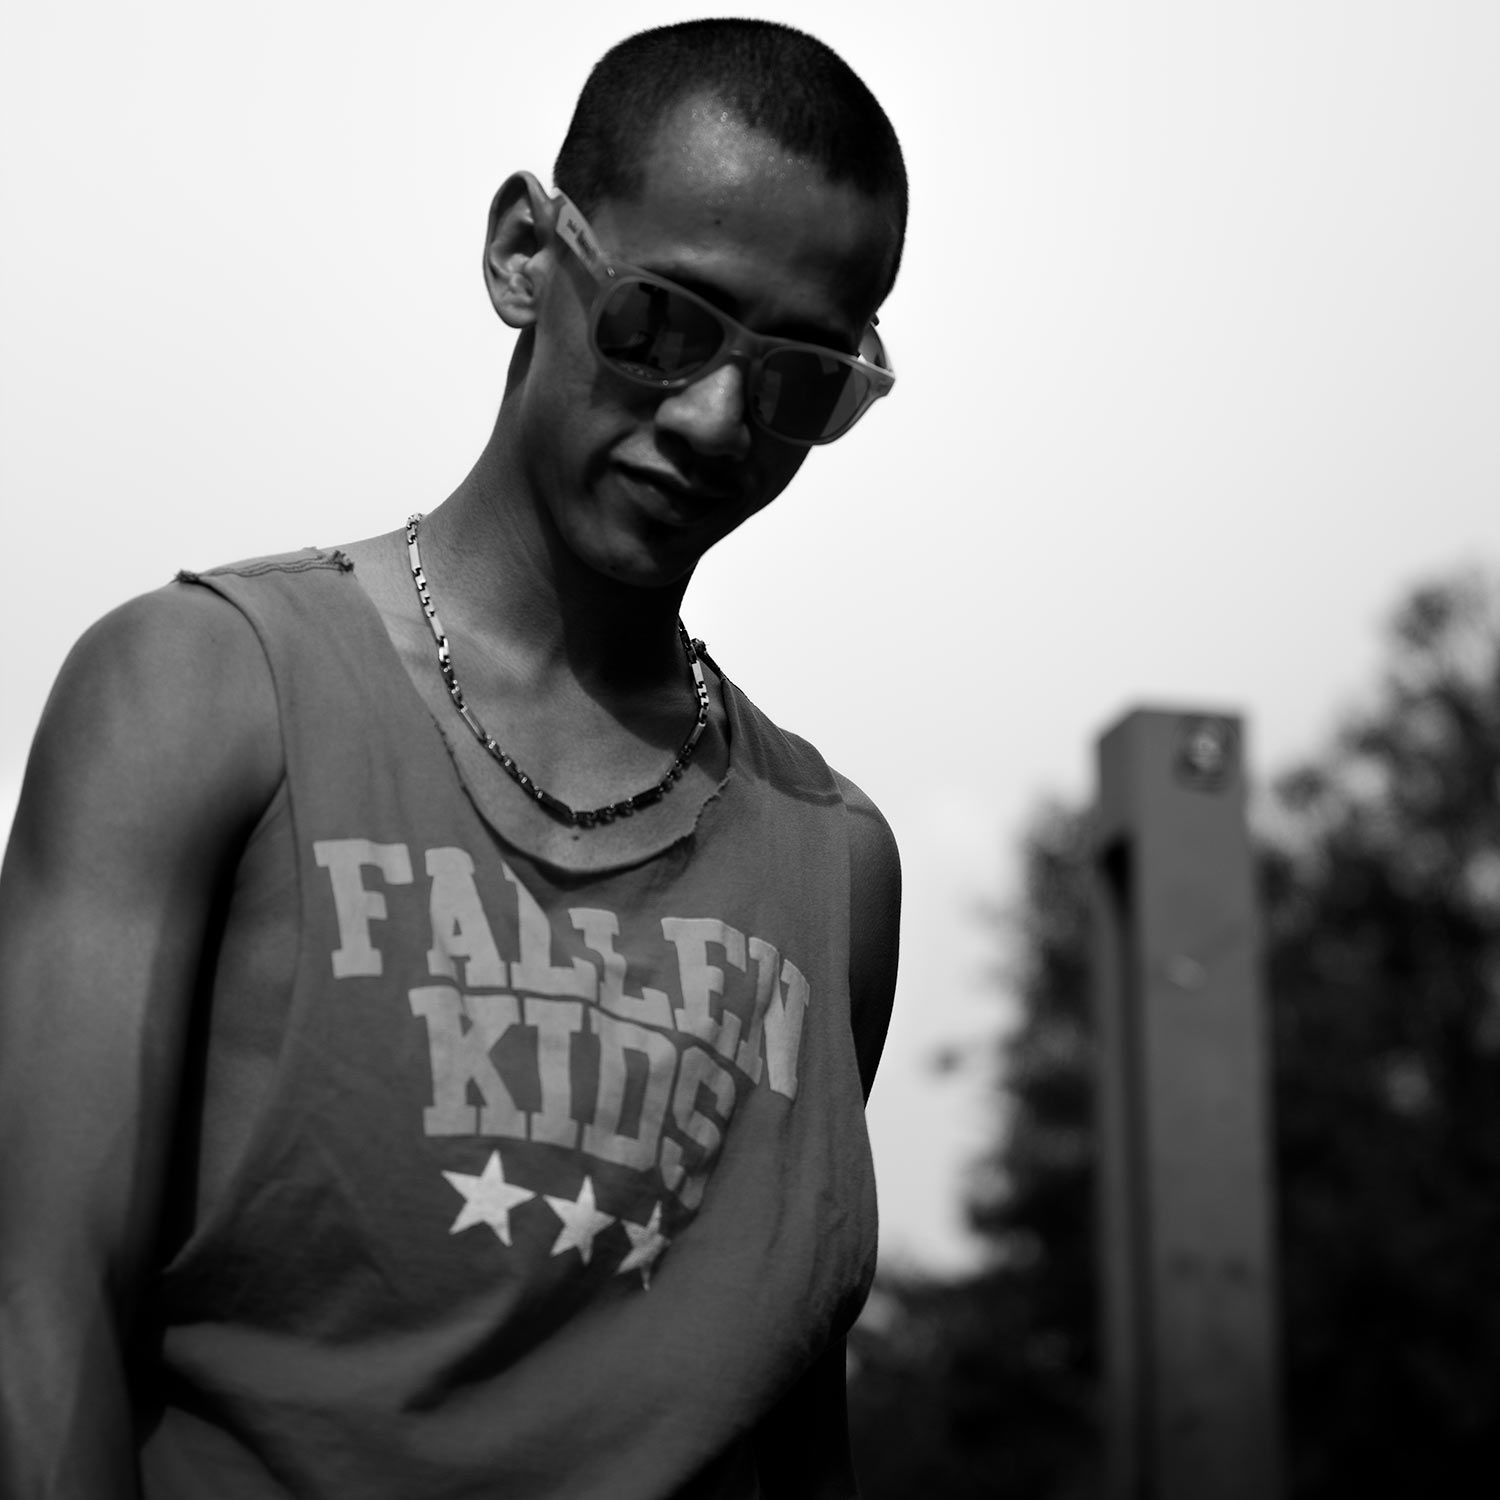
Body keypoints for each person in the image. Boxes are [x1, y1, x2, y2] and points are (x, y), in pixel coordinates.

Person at [0, 18, 905, 1498]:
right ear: (524, 258)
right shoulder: (208, 694)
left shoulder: (829, 863)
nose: (716, 419)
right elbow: (37, 1315)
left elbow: (782, 1420)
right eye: (668, 321)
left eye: (799, 377)